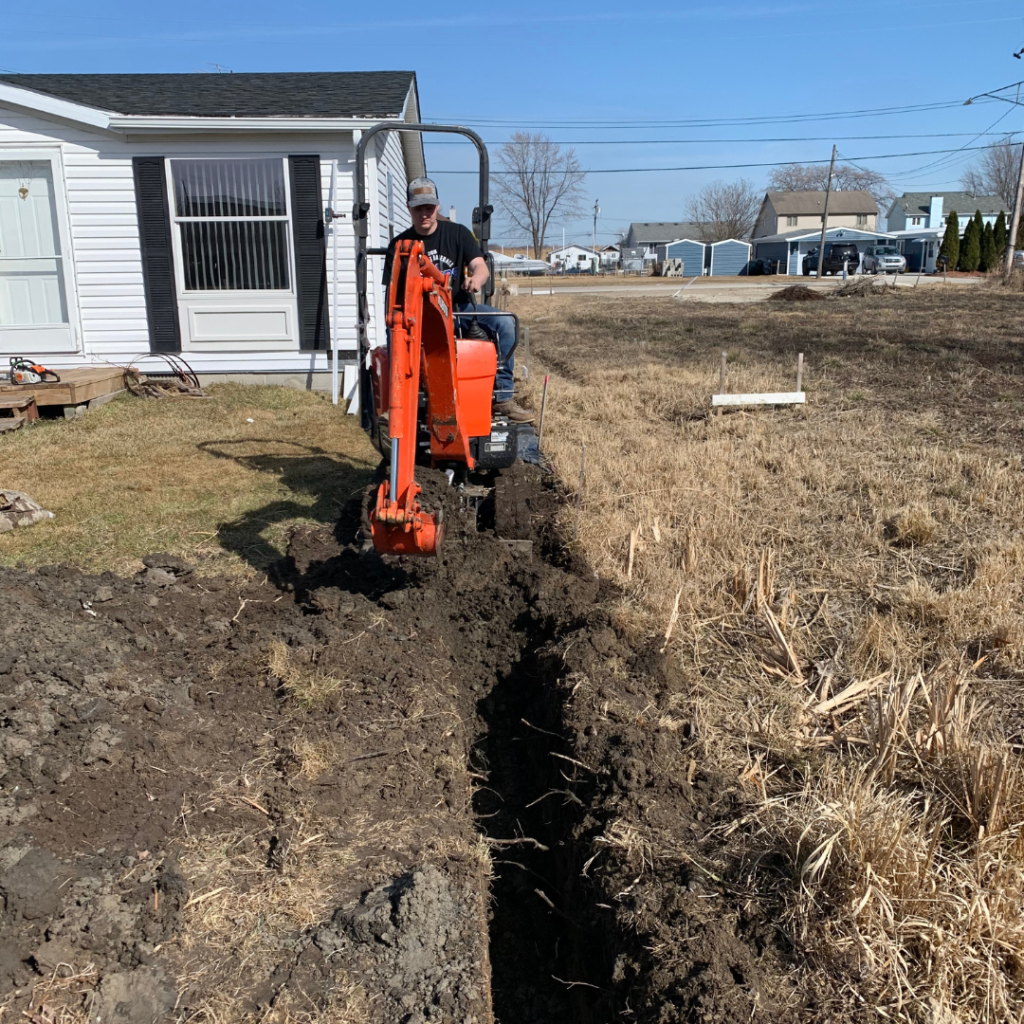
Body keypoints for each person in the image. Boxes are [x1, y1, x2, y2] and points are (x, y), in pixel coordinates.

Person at [382, 177, 533, 424]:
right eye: (418, 208)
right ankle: (400, 399)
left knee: (506, 323)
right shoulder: (400, 245)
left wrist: (477, 278)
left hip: (458, 311)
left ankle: (502, 396)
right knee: (394, 328)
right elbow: (393, 292)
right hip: (420, 315)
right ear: (409, 208)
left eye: (428, 208)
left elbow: (480, 266)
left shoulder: (458, 234)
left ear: (437, 206)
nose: (424, 214)